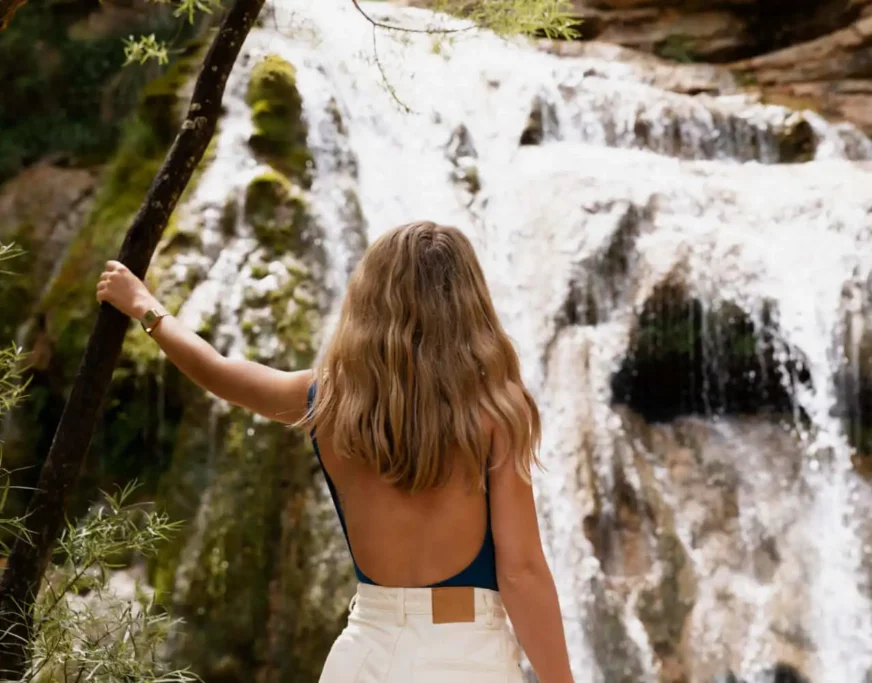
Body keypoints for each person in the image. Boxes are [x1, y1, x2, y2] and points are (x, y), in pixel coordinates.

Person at [97, 220, 575, 683]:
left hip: (365, 657)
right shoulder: (496, 412)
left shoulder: (327, 402)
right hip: (467, 657)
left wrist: (145, 306)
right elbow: (521, 571)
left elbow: (220, 372)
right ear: (469, 304)